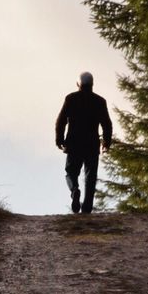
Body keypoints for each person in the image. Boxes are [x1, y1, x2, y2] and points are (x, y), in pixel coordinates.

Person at [55, 71, 113, 214]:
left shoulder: (71, 99)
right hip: (92, 144)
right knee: (90, 176)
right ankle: (87, 208)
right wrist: (106, 142)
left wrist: (59, 139)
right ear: (92, 85)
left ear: (78, 84)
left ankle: (74, 190)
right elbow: (107, 124)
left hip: (74, 143)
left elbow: (61, 121)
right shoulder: (100, 101)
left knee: (71, 172)